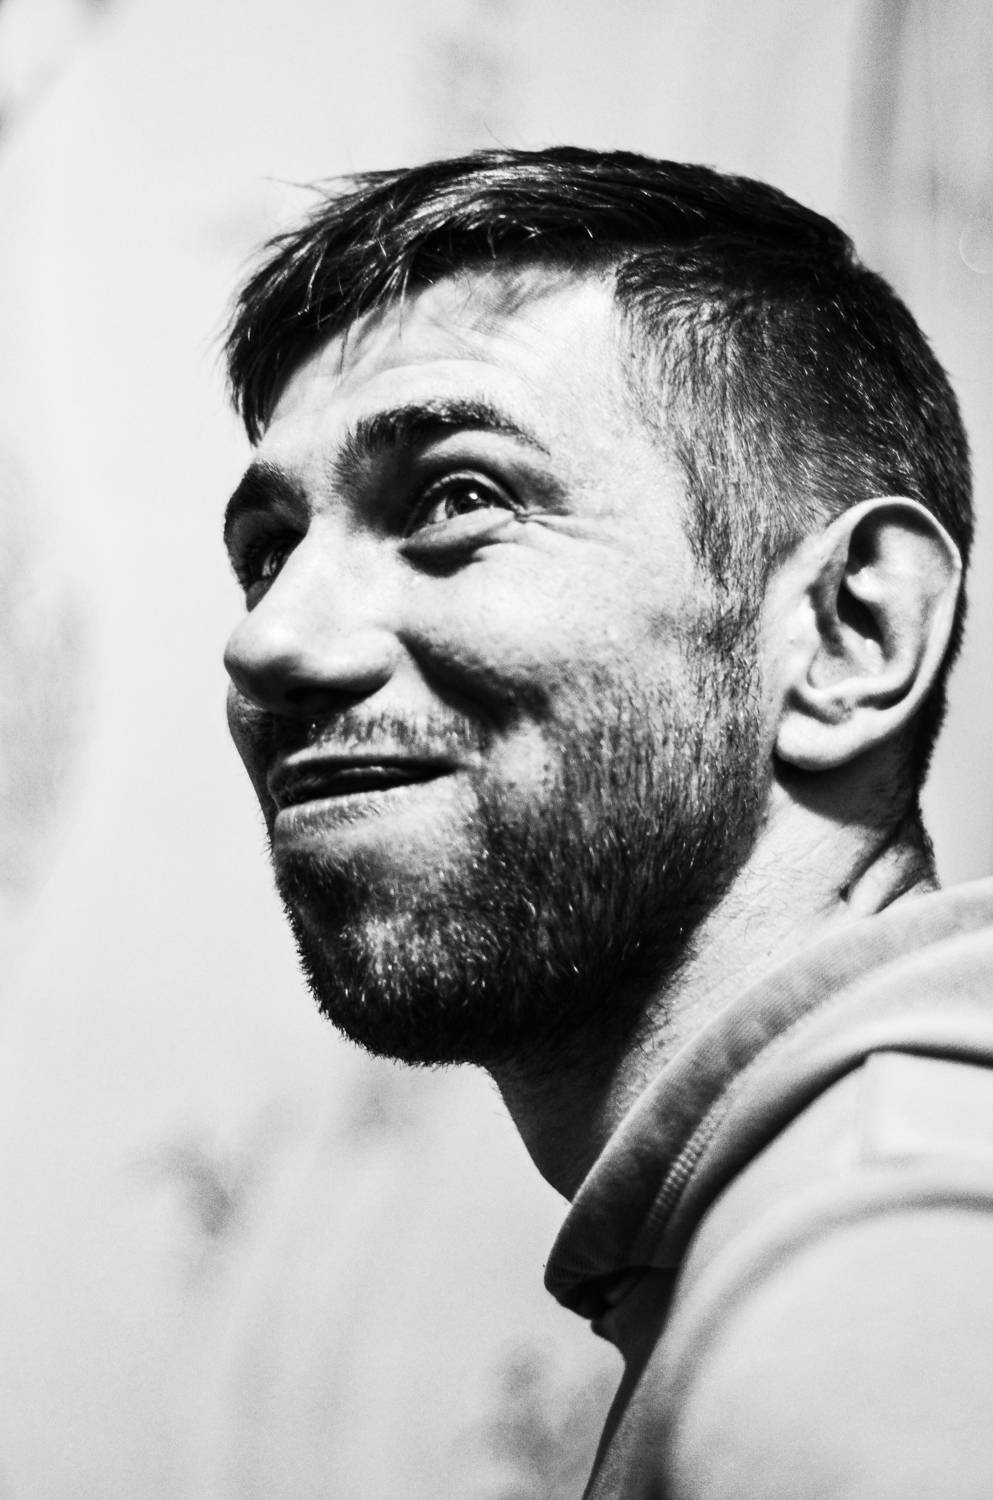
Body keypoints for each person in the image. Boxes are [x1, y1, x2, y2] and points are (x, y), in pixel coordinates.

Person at [219, 147, 993, 1497]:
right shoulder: (787, 1222)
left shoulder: (885, 1272)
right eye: (268, 550)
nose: (269, 642)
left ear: (851, 634)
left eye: (458, 498)